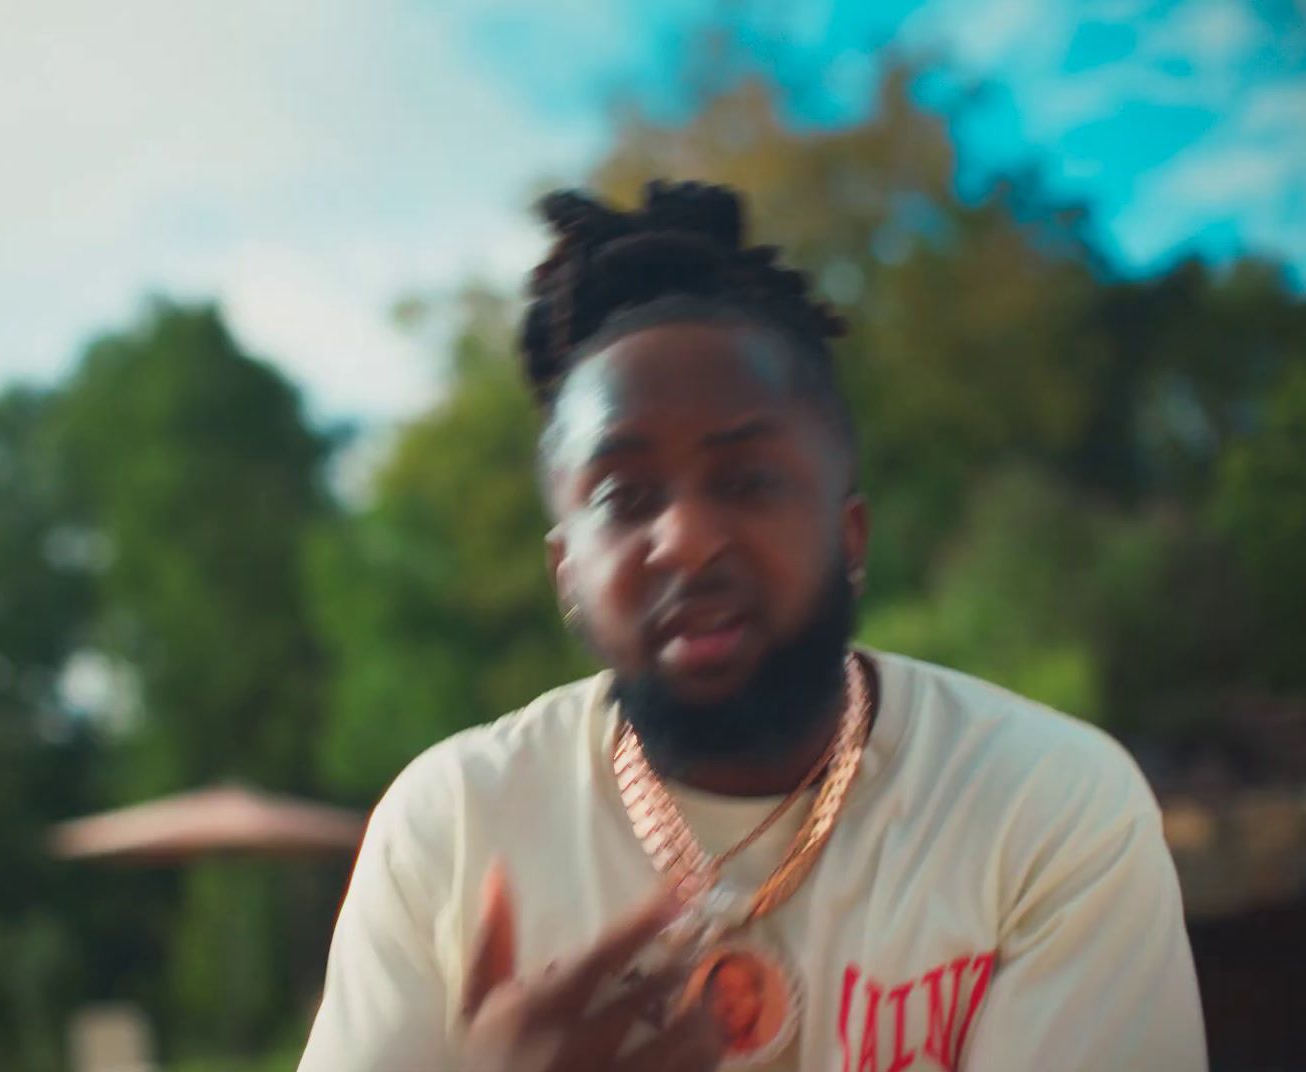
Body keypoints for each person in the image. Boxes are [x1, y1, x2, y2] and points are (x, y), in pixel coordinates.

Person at [298, 181, 1206, 1071]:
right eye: (624, 495)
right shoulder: (453, 828)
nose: (686, 541)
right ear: (566, 572)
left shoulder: (1048, 806)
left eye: (750, 479)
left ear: (849, 535)